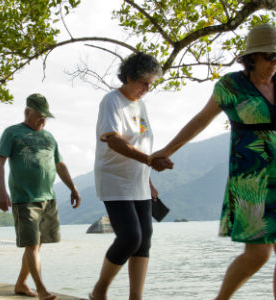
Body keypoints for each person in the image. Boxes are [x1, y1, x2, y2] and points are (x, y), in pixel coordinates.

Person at [149, 24, 276, 299]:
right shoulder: (231, 86)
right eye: (269, 56)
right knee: (258, 253)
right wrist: (167, 150)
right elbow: (201, 120)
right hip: (250, 177)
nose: (275, 62)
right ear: (252, 57)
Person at [90, 52, 172, 300]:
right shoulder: (111, 101)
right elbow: (113, 141)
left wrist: (148, 177)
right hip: (115, 180)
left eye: (151, 84)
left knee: (144, 239)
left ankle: (136, 297)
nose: (147, 89)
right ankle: (100, 289)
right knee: (129, 238)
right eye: (143, 83)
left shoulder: (141, 104)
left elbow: (142, 144)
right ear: (128, 77)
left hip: (139, 181)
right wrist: (149, 160)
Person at [0, 93, 82, 300]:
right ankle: (42, 290)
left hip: (48, 198)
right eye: (40, 116)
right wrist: (1, 191)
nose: (43, 120)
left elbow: (60, 165)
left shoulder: (49, 137)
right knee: (32, 245)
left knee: (37, 245)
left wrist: (73, 188)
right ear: (28, 112)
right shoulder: (12, 133)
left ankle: (21, 284)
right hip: (24, 197)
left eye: (46, 117)